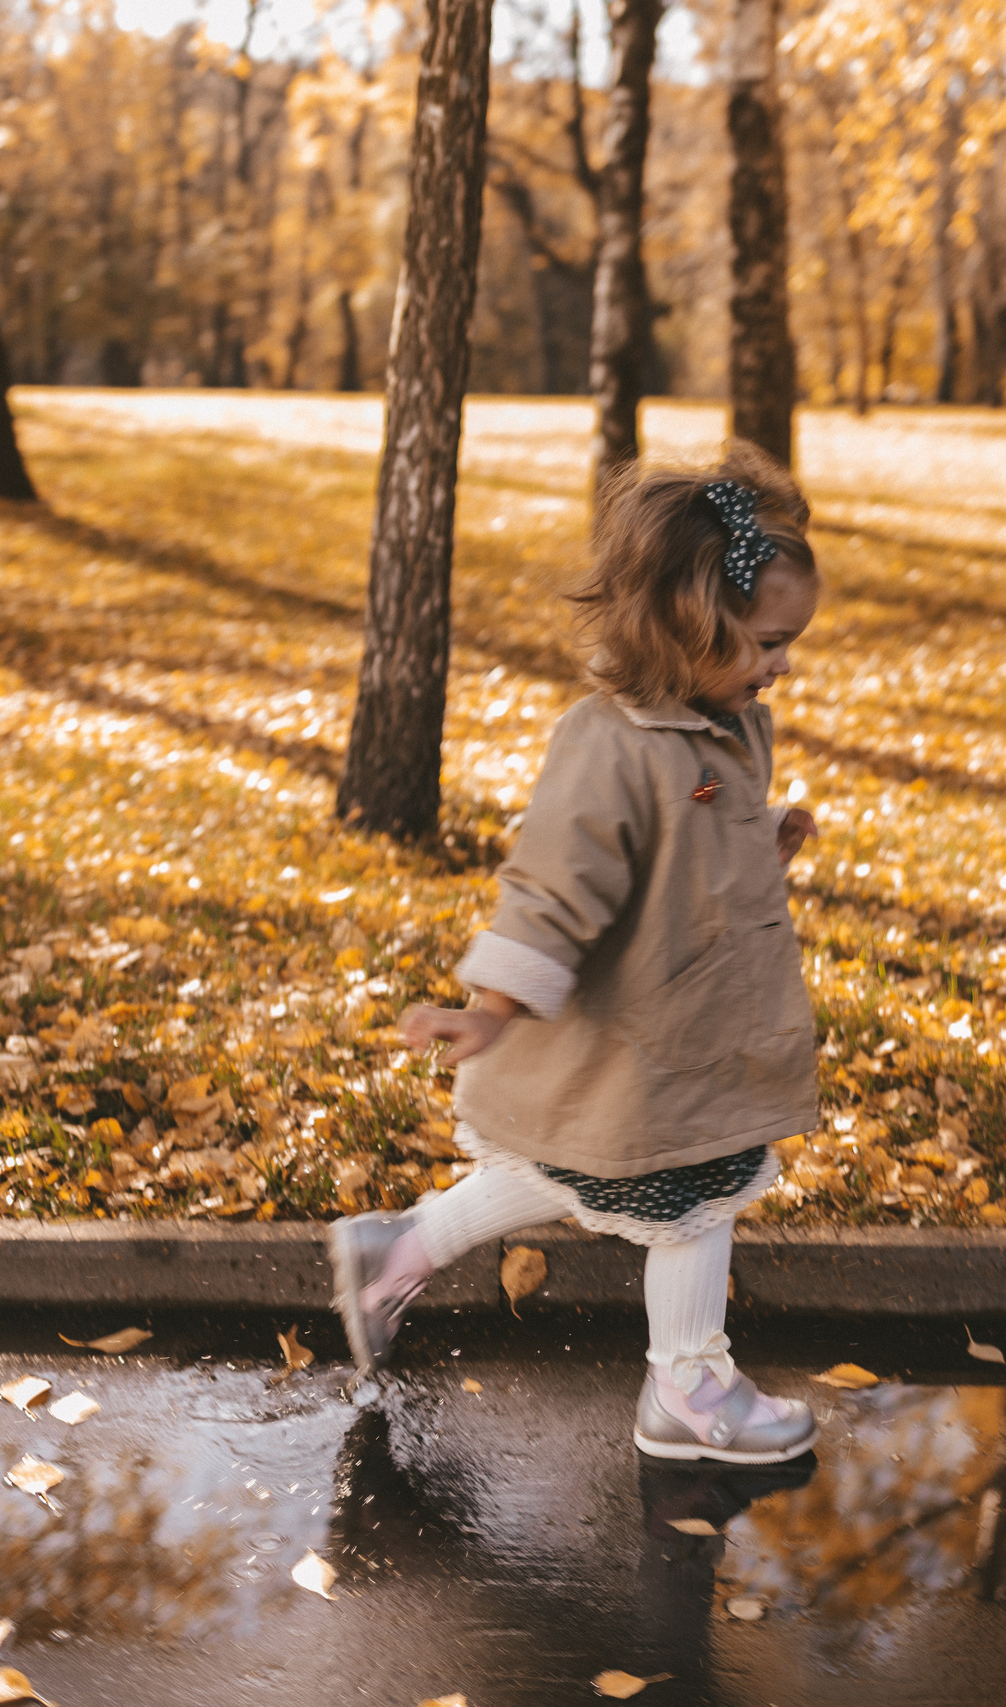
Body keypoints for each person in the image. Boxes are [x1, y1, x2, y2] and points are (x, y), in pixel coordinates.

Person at [328, 445, 824, 1465]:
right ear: (686, 625)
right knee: (688, 1203)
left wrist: (758, 842)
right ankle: (686, 1389)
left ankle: (397, 1250)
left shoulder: (728, 722)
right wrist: (492, 1009)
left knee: (574, 1172)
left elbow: (691, 857)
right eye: (768, 644)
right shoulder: (611, 746)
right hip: (644, 1045)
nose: (783, 666)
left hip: (681, 1029)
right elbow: (556, 886)